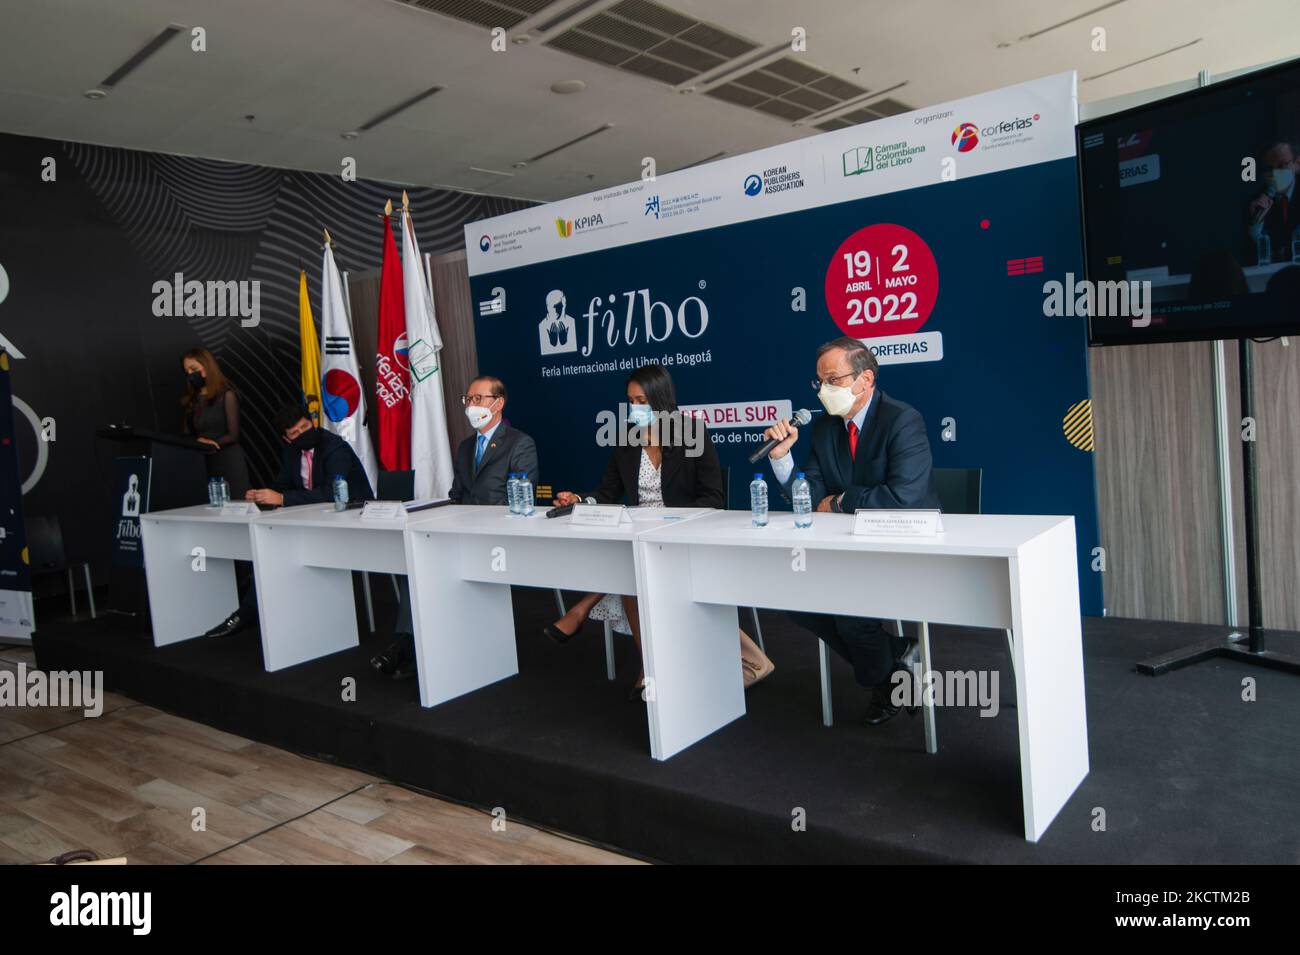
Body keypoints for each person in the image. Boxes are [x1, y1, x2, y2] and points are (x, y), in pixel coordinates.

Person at [548, 363, 774, 699]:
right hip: (641, 538)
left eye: (642, 401)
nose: (635, 409)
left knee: (631, 568)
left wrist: (669, 522)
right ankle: (650, 662)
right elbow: (607, 493)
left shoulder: (692, 435)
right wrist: (581, 499)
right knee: (633, 566)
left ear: (662, 400)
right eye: (631, 401)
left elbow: (714, 498)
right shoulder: (627, 439)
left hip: (683, 535)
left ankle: (588, 618)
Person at [762, 336, 939, 725]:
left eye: (834, 380)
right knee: (797, 601)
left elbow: (903, 496)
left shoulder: (902, 419)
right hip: (847, 549)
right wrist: (782, 458)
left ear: (865, 380)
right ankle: (894, 660)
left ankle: (883, 679)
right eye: (820, 382)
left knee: (849, 614)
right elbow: (808, 498)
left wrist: (840, 502)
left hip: (901, 546)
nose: (825, 390)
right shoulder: (826, 429)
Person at [370, 375, 538, 678]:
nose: (471, 406)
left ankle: (407, 650)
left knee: (438, 570)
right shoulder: (464, 447)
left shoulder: (520, 443)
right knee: (421, 565)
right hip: (461, 533)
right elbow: (456, 495)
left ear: (498, 404)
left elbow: (520, 495)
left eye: (478, 399)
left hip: (498, 538)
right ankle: (415, 647)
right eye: (468, 399)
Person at [197, 402, 375, 639]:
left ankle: (248, 613)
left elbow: (331, 493)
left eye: (305, 426)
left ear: (312, 422)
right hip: (315, 522)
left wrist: (281, 498)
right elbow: (282, 484)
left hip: (353, 521)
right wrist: (262, 494)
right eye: (295, 433)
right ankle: (261, 611)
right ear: (286, 439)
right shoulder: (291, 452)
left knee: (279, 549)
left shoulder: (334, 447)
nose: (303, 433)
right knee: (269, 546)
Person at [181, 347, 251, 500]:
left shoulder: (227, 396)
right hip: (202, 463)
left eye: (194, 369)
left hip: (229, 461)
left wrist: (209, 444)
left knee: (236, 506)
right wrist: (199, 443)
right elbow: (186, 435)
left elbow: (233, 435)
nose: (191, 375)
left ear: (207, 367)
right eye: (187, 372)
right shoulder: (191, 402)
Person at [1246, 140, 1298, 265]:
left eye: (1281, 165)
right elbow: (1251, 256)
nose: (1275, 174)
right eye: (1270, 168)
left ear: (1297, 164)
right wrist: (1256, 224)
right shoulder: (1256, 202)